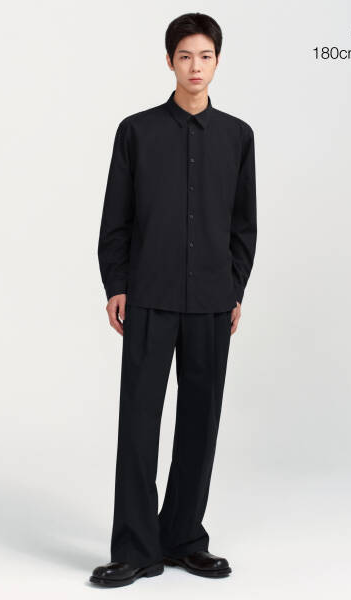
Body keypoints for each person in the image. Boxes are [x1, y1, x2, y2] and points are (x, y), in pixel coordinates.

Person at [90, 11, 257, 588]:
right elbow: (115, 218)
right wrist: (116, 283)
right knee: (139, 422)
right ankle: (136, 548)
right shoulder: (136, 132)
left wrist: (235, 287)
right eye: (185, 56)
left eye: (205, 56)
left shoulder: (237, 136)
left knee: (199, 423)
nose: (195, 67)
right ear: (169, 61)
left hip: (212, 299)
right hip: (149, 296)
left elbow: (243, 223)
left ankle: (184, 538)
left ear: (217, 62)